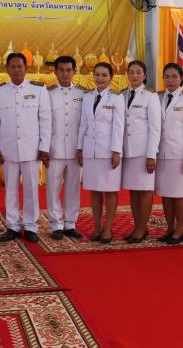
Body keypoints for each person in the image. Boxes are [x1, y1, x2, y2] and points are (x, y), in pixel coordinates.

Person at [0, 53, 51, 243]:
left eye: (20, 66)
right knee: (10, 189)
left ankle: (31, 226)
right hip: (8, 149)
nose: (16, 70)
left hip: (31, 149)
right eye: (13, 66)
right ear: (7, 69)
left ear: (26, 68)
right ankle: (12, 226)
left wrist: (44, 146)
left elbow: (45, 119)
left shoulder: (39, 89)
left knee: (31, 189)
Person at [77, 62, 124, 244]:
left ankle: (108, 228)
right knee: (94, 190)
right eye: (97, 74)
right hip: (91, 151)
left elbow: (118, 126)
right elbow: (83, 123)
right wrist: (80, 148)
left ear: (111, 77)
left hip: (108, 151)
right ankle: (97, 226)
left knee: (110, 190)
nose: (100, 78)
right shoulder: (87, 96)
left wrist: (116, 151)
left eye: (104, 75)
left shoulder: (116, 98)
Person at [155, 63, 183, 245]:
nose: (170, 80)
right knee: (166, 193)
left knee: (179, 193)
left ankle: (179, 230)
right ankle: (170, 228)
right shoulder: (158, 97)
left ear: (181, 78)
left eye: (174, 77)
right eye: (167, 76)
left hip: (179, 154)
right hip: (162, 154)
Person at [46, 56, 86, 240]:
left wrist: (82, 148)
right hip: (54, 150)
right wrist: (44, 148)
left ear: (74, 71)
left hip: (75, 150)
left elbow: (86, 123)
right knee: (53, 188)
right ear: (55, 71)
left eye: (69, 70)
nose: (65, 73)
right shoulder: (47, 93)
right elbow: (44, 123)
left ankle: (70, 223)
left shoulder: (82, 94)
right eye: (61, 70)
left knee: (73, 188)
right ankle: (56, 224)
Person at [121, 60, 161, 244]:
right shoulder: (122, 95)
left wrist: (151, 155)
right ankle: (139, 226)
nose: (135, 75)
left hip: (144, 152)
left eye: (138, 72)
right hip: (128, 150)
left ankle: (141, 228)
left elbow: (155, 127)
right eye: (131, 72)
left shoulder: (150, 96)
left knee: (144, 190)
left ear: (144, 75)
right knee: (134, 191)